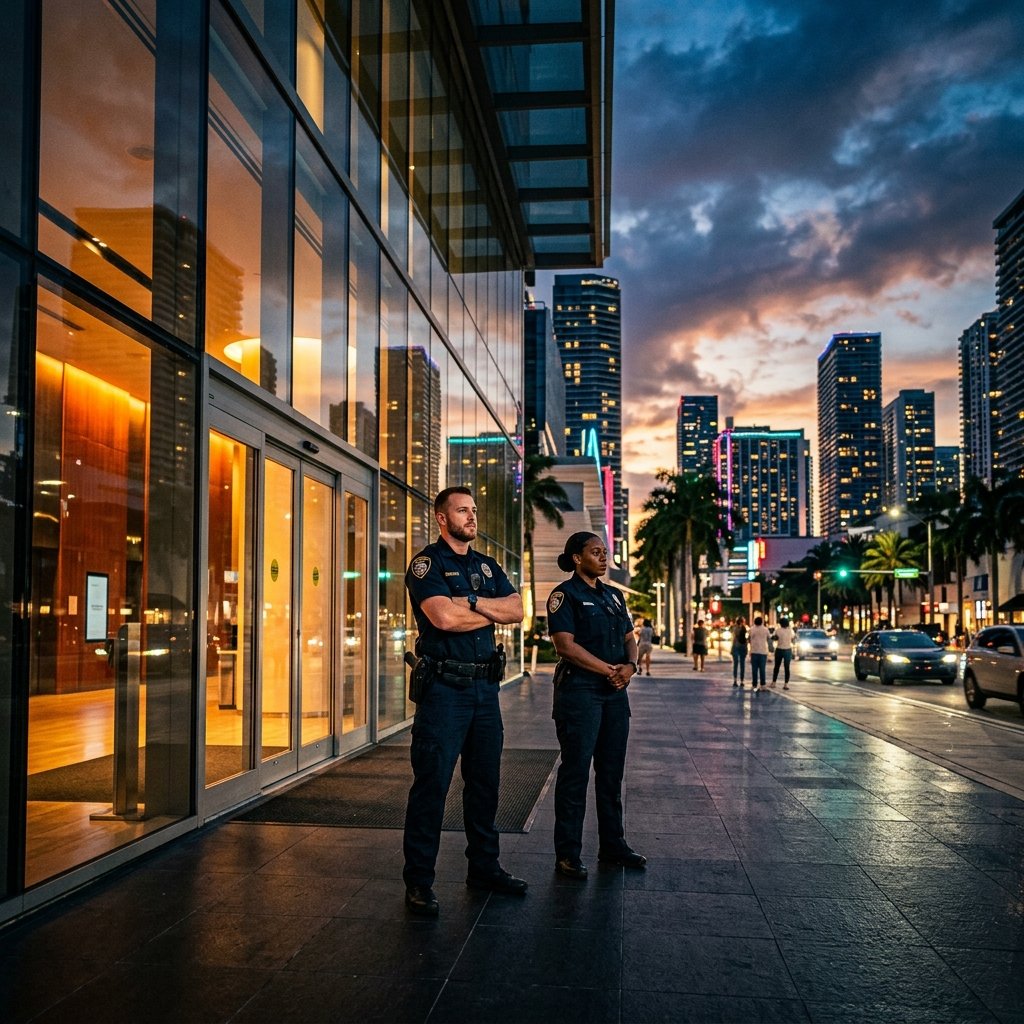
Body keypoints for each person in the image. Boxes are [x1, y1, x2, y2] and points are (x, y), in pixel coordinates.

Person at [401, 486, 528, 917]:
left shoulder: (487, 566)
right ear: (441, 518)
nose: (472, 517)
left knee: (486, 785)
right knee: (432, 786)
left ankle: (485, 868)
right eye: (462, 510)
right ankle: (419, 881)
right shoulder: (426, 564)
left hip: (484, 693)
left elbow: (517, 611)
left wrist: (471, 602)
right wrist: (486, 610)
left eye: (473, 510)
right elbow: (441, 617)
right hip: (444, 693)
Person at [547, 532, 646, 880]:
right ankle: (568, 854)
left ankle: (613, 845)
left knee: (611, 774)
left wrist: (630, 668)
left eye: (605, 552)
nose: (603, 558)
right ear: (577, 558)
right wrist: (610, 671)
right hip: (580, 693)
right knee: (575, 773)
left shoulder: (614, 596)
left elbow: (628, 638)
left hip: (615, 694)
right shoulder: (564, 595)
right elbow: (565, 647)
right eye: (595, 552)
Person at [771, 616, 795, 689]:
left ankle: (774, 683)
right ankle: (786, 684)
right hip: (788, 649)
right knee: (787, 668)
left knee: (776, 667)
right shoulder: (790, 630)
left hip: (779, 649)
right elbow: (793, 638)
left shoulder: (778, 630)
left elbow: (774, 638)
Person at [749, 615, 770, 692]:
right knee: (762, 669)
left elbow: (749, 639)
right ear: (762, 622)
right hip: (763, 652)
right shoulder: (765, 629)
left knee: (754, 669)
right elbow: (768, 638)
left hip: (754, 651)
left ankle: (754, 685)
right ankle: (763, 685)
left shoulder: (751, 629)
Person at [731, 616, 748, 687]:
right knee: (742, 664)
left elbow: (734, 638)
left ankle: (735, 680)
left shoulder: (734, 628)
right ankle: (742, 681)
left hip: (736, 647)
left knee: (735, 664)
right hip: (743, 647)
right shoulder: (744, 628)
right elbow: (746, 639)